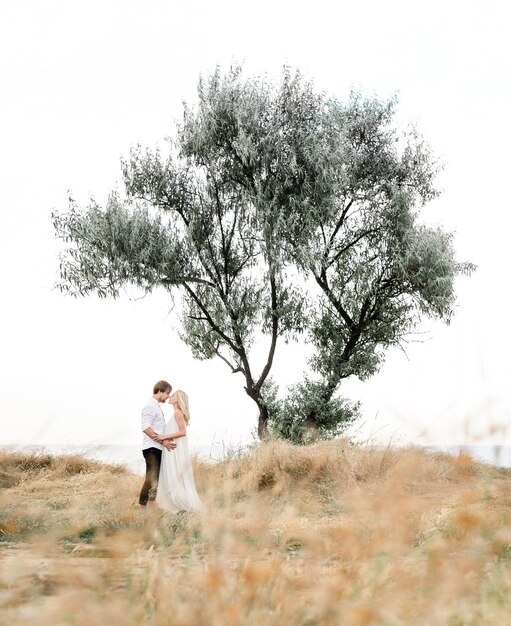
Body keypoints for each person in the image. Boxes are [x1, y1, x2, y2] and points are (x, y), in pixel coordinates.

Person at [154, 389, 203, 513]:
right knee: (172, 474)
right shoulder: (175, 413)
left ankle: (183, 503)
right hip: (171, 449)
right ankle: (175, 504)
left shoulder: (178, 413)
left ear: (178, 399)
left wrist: (164, 437)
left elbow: (182, 432)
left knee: (173, 475)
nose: (170, 396)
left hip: (174, 450)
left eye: (173, 395)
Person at [139, 380, 176, 507]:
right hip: (151, 448)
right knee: (151, 478)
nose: (168, 396)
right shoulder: (150, 406)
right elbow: (146, 428)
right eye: (167, 393)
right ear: (159, 391)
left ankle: (151, 507)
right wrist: (162, 441)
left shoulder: (156, 406)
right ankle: (141, 508)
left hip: (157, 448)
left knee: (156, 479)